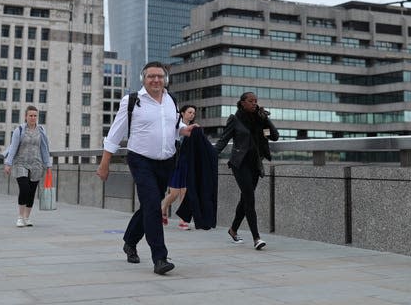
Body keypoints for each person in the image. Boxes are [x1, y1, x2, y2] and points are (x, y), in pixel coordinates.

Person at [97, 61, 198, 275]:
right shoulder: (132, 101)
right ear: (144, 78)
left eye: (160, 76)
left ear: (165, 79)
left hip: (167, 161)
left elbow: (173, 125)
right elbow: (115, 132)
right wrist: (105, 162)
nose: (156, 80)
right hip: (140, 160)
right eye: (151, 76)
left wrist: (185, 129)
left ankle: (129, 241)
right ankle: (160, 257)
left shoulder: (171, 100)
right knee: (153, 205)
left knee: (148, 206)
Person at [214, 92, 279, 250]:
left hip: (255, 165)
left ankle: (233, 230)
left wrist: (266, 119)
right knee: (249, 198)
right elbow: (223, 140)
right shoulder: (234, 120)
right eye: (251, 101)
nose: (254, 103)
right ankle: (256, 238)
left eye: (256, 101)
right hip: (240, 164)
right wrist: (209, 156)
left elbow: (274, 137)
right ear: (242, 103)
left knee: (245, 199)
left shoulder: (259, 119)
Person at [4, 105, 52, 227]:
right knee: (24, 189)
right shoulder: (19, 130)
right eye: (30, 115)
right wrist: (8, 164)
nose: (33, 117)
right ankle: (20, 217)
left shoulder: (41, 130)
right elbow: (13, 147)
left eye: (35, 115)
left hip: (36, 165)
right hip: (21, 164)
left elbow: (44, 149)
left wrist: (48, 165)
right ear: (26, 116)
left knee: (31, 192)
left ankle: (27, 217)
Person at [161, 104, 197, 230]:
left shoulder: (193, 129)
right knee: (174, 193)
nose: (192, 115)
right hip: (175, 163)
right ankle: (163, 208)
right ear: (182, 113)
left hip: (188, 164)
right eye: (189, 112)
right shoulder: (176, 126)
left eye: (193, 113)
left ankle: (183, 220)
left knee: (185, 193)